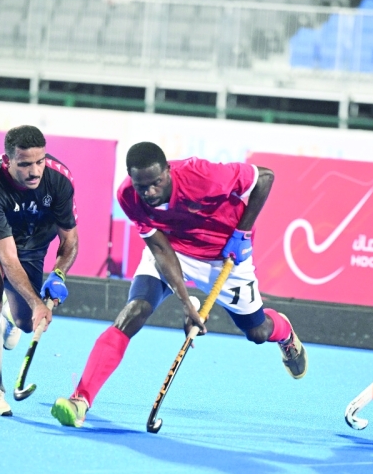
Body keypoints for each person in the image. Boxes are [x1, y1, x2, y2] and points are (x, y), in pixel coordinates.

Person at [50, 143, 308, 428]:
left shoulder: (202, 176)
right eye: (141, 185)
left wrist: (242, 231)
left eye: (156, 183)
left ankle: (284, 334)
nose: (148, 192)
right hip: (173, 249)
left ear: (168, 172)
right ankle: (81, 400)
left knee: (258, 331)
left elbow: (265, 178)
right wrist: (187, 304)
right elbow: (161, 251)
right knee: (134, 310)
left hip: (224, 255)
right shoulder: (127, 196)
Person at [0, 126, 79, 416]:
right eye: (24, 164)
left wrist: (58, 275)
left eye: (39, 162)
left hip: (33, 239)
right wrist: (38, 303)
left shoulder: (59, 180)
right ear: (8, 161)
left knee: (26, 324)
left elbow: (70, 240)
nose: (34, 171)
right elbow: (8, 260)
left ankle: (12, 317)